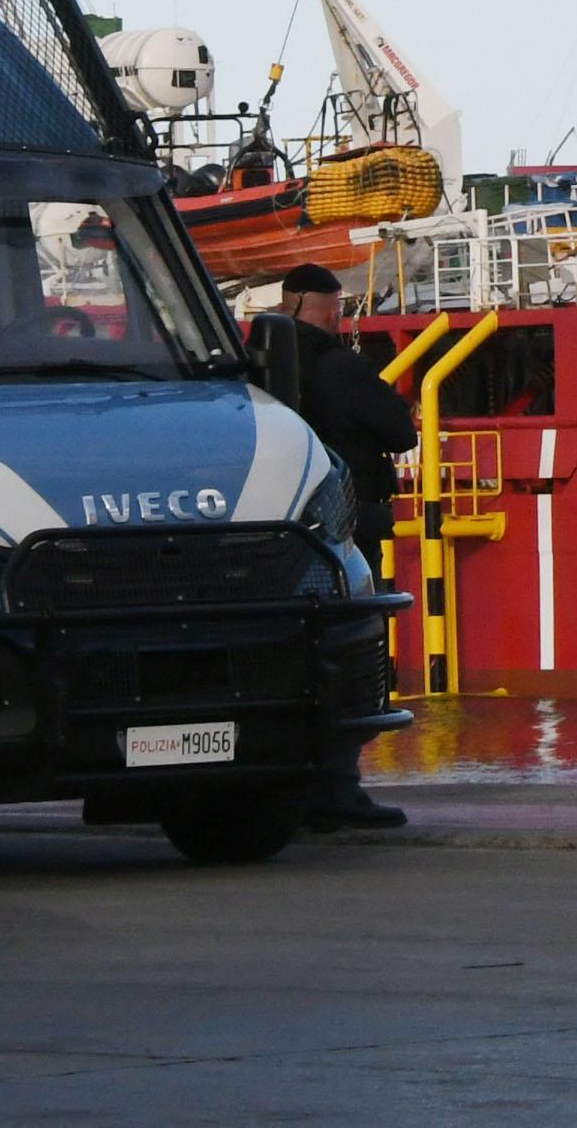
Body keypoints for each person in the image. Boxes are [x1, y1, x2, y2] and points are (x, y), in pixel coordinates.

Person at [256, 263, 423, 833]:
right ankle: (336, 788)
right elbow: (402, 432)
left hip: (276, 534)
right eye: (333, 307)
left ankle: (283, 784)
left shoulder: (258, 368)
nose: (337, 316)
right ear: (311, 305)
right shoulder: (338, 366)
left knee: (288, 655)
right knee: (351, 653)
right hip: (345, 528)